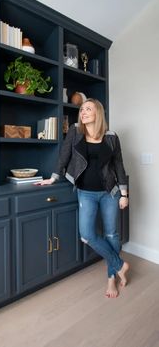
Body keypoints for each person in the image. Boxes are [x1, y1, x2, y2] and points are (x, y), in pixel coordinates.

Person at [35, 98, 129, 298]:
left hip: (109, 192)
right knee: (87, 235)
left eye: (88, 109)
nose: (83, 112)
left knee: (111, 235)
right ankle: (120, 265)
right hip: (85, 192)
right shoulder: (75, 132)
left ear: (98, 113)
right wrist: (53, 178)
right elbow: (64, 156)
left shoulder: (111, 137)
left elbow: (119, 165)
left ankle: (112, 278)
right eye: (82, 109)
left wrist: (124, 193)